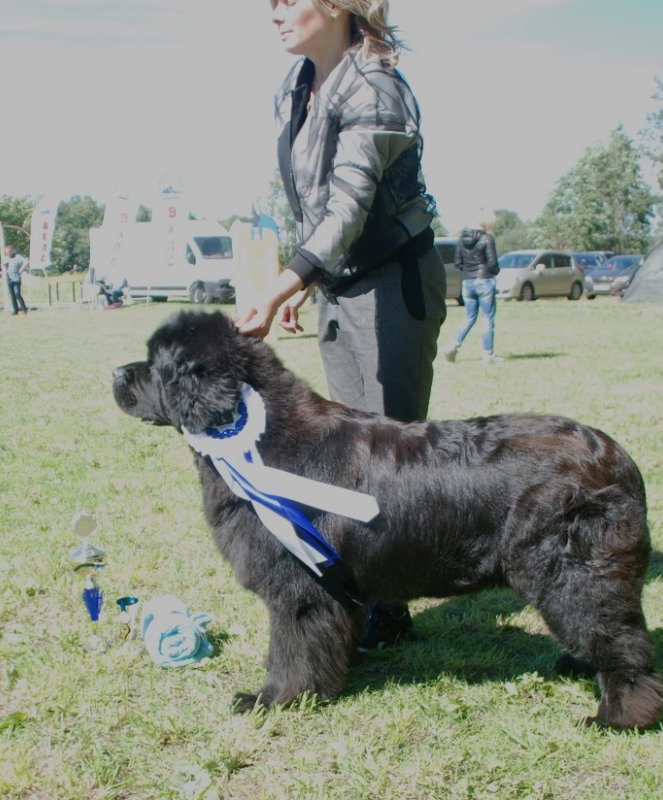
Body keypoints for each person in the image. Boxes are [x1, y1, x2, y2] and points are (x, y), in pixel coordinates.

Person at [240, 0, 447, 648]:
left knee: (392, 455)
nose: (271, 15)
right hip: (342, 283)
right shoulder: (295, 88)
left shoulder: (377, 85)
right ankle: (369, 600)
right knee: (350, 456)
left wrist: (285, 282)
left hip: (393, 282)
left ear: (333, 6)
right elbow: (311, 201)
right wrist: (310, 279)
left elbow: (352, 201)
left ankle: (392, 612)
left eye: (284, 2)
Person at [444, 227, 502, 363]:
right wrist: (495, 272)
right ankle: (488, 354)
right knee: (487, 318)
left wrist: (469, 270)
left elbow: (458, 263)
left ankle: (453, 345)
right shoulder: (487, 238)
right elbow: (493, 263)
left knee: (469, 317)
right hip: (484, 280)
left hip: (467, 282)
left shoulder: (461, 240)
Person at [4, 244, 29, 316]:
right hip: (9, 279)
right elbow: (4, 266)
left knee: (17, 294)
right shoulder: (6, 258)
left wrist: (21, 270)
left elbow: (27, 261)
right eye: (6, 252)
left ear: (12, 251)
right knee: (12, 295)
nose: (8, 253)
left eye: (9, 252)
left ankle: (24, 310)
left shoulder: (17, 257)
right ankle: (15, 311)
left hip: (16, 279)